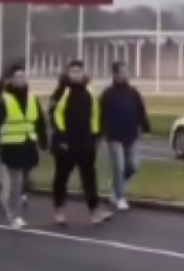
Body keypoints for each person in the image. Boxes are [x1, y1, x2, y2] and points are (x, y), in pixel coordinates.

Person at [49, 61, 112, 225]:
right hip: (65, 144)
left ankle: (94, 211)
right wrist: (62, 138)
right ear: (68, 73)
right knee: (61, 177)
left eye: (79, 71)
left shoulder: (90, 92)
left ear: (84, 73)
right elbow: (55, 116)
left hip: (85, 143)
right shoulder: (61, 92)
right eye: (73, 71)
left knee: (89, 178)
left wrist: (96, 136)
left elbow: (97, 115)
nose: (76, 74)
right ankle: (59, 210)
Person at [0, 64, 47, 229]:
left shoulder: (32, 98)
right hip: (11, 145)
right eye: (17, 77)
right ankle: (15, 215)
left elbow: (40, 121)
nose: (21, 80)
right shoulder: (5, 99)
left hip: (28, 145)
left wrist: (43, 140)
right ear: (11, 80)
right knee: (17, 180)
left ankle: (8, 202)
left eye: (23, 76)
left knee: (22, 180)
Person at [100, 62, 149, 211]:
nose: (125, 74)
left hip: (131, 134)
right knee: (119, 167)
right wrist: (100, 132)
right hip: (114, 136)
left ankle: (116, 186)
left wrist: (145, 127)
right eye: (121, 72)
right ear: (115, 74)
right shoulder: (107, 94)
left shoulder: (133, 93)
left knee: (133, 166)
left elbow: (140, 110)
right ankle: (120, 197)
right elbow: (100, 115)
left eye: (126, 72)